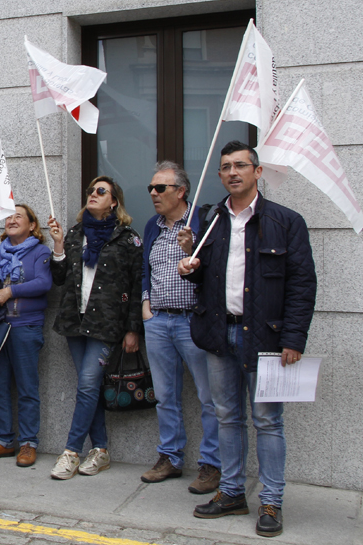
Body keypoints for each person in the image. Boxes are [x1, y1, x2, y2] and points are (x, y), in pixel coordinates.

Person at [177, 141, 316, 538]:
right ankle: (232, 492)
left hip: (267, 338)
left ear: (258, 172)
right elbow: (204, 277)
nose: (232, 172)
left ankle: (271, 501)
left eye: (240, 165)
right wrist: (190, 262)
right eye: (225, 167)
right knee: (227, 416)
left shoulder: (286, 221)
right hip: (219, 333)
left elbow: (302, 285)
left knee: (268, 420)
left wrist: (294, 338)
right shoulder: (212, 219)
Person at [46, 176, 142, 480]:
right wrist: (58, 245)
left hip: (107, 323)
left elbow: (135, 286)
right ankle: (100, 450)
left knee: (88, 385)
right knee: (91, 386)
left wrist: (133, 328)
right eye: (91, 190)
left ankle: (71, 452)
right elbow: (59, 278)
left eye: (101, 191)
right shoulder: (76, 234)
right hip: (76, 321)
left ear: (114, 201)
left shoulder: (126, 238)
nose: (93, 194)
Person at [139, 162, 220, 493]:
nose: (153, 194)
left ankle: (212, 464)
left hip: (192, 320)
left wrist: (192, 246)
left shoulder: (204, 221)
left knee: (209, 397)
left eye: (161, 188)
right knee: (165, 396)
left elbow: (216, 268)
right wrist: (145, 304)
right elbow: (145, 269)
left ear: (181, 191)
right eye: (151, 188)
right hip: (158, 320)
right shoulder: (152, 226)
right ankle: (170, 458)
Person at [0, 204, 51, 467]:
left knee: (27, 388)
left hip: (25, 327)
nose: (12, 219)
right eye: (8, 216)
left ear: (32, 225)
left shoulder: (40, 251)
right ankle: (3, 440)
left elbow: (44, 283)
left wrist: (10, 291)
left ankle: (28, 443)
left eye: (19, 216)